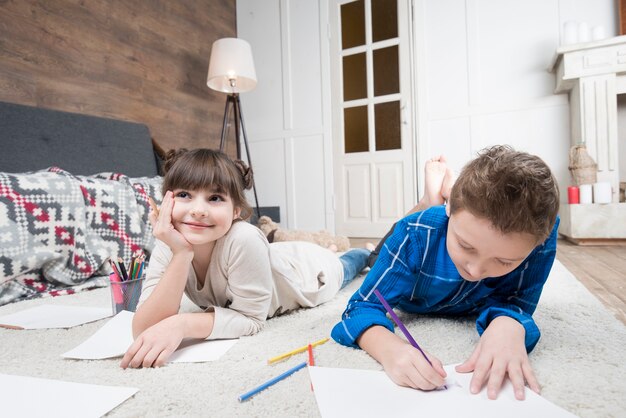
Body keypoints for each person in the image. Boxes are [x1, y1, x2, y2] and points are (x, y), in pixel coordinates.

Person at [331, 145, 560, 401]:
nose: (475, 270)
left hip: (442, 230)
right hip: (407, 249)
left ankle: (436, 200)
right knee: (369, 258)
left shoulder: (541, 239)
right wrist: (387, 348)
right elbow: (360, 308)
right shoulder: (414, 234)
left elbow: (517, 303)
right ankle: (427, 204)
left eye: (504, 261)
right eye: (466, 245)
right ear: (451, 209)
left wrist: (510, 323)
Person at [121, 148, 372, 369]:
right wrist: (182, 253)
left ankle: (361, 252)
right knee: (294, 251)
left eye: (215, 198)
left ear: (236, 212)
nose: (197, 210)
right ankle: (333, 249)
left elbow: (251, 320)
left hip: (309, 273)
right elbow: (144, 329)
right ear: (165, 201)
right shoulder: (170, 242)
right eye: (185, 195)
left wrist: (183, 324)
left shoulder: (244, 238)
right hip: (274, 258)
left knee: (351, 263)